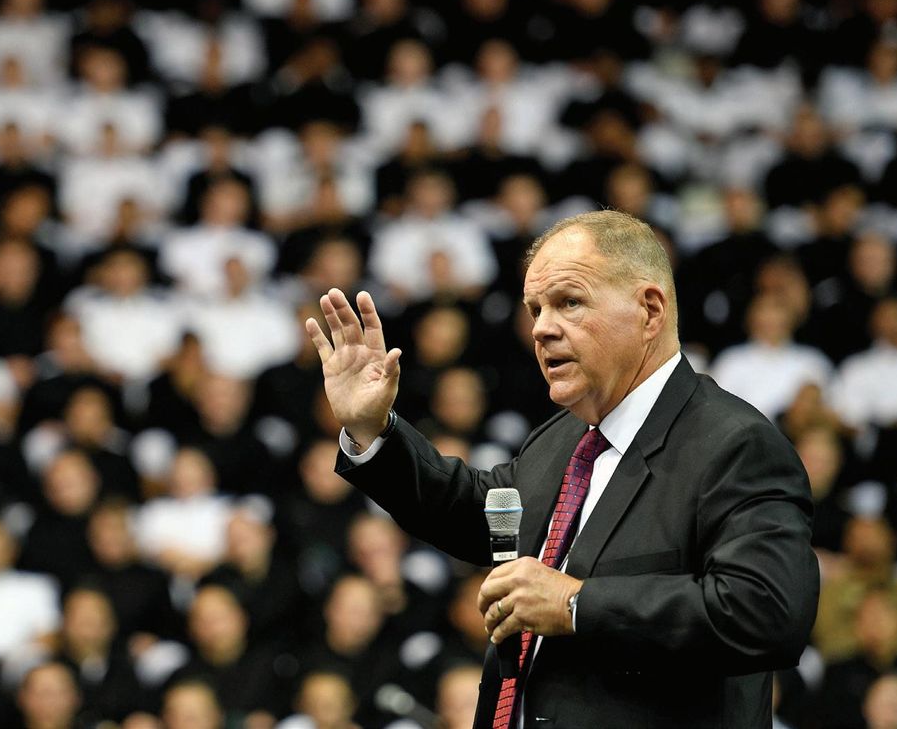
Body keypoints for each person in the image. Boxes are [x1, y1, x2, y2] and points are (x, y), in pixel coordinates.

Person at [304, 210, 819, 727]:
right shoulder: (563, 437)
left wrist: (577, 604)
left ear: (650, 310)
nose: (542, 329)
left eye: (569, 302)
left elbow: (767, 612)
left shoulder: (735, 444)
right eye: (535, 309)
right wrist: (374, 429)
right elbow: (477, 514)